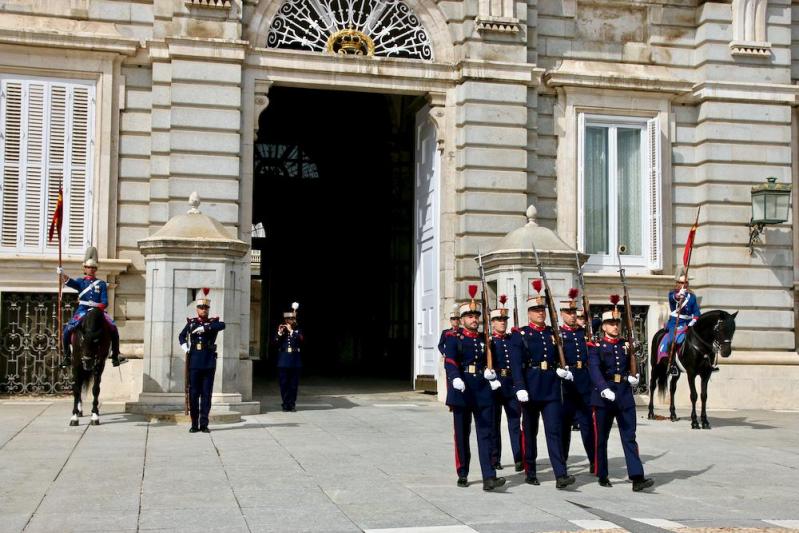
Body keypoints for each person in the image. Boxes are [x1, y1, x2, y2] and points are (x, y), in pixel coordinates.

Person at [509, 281, 575, 489]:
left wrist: (561, 369)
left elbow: (558, 357)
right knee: (530, 432)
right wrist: (519, 386)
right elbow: (517, 364)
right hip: (530, 387)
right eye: (536, 310)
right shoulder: (521, 335)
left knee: (554, 430)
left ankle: (560, 474)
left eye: (542, 310)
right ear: (529, 313)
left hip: (551, 388)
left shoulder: (551, 333)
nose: (540, 313)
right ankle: (530, 470)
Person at [442, 286, 505, 491]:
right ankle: (463, 472)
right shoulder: (454, 339)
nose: (474, 319)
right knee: (462, 434)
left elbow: (494, 361)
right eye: (469, 316)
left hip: (482, 390)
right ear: (461, 320)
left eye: (476, 315)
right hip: (462, 390)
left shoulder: (484, 339)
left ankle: (489, 476)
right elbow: (450, 361)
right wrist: (455, 378)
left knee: (485, 433)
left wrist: (492, 373)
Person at [588, 299, 653, 492]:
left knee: (629, 436)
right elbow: (594, 370)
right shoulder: (596, 347)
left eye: (617, 323)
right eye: (611, 323)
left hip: (624, 394)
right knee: (601, 438)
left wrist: (634, 377)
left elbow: (633, 364)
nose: (615, 327)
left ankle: (637, 476)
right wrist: (602, 388)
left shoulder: (626, 344)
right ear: (604, 327)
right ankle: (602, 473)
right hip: (604, 396)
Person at [59, 246, 125, 368]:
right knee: (67, 331)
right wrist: (62, 274)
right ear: (84, 268)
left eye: (94, 267)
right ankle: (67, 356)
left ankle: (116, 355)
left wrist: (96, 305)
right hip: (82, 311)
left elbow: (105, 302)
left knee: (113, 328)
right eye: (89, 267)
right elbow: (70, 282)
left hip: (98, 312)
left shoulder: (101, 284)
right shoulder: (81, 282)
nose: (91, 269)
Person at [178, 292, 225, 433]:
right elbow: (181, 336)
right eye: (201, 307)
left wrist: (205, 328)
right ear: (197, 309)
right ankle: (194, 424)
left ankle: (204, 424)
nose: (203, 310)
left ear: (208, 309)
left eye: (205, 308)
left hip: (208, 362)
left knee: (206, 394)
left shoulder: (213, 323)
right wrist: (185, 346)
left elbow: (222, 325)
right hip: (194, 362)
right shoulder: (191, 323)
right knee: (193, 394)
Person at [559, 289, 595, 473]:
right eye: (569, 313)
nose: (572, 316)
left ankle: (593, 460)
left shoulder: (583, 333)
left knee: (588, 424)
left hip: (584, 381)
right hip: (566, 384)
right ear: (561, 314)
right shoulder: (558, 335)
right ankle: (562, 461)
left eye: (574, 313)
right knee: (564, 425)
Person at [488, 299, 523, 472]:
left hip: (511, 384)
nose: (502, 323)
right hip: (495, 386)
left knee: (515, 422)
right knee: (494, 424)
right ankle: (495, 458)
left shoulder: (511, 339)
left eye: (504, 320)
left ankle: (519, 457)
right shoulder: (489, 341)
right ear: (493, 323)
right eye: (499, 320)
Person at [658, 273, 702, 376]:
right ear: (677, 283)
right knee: (672, 340)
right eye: (682, 282)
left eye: (686, 282)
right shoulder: (672, 294)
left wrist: (694, 320)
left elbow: (696, 311)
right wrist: (679, 296)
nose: (684, 285)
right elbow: (673, 299)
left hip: (689, 323)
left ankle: (705, 363)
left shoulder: (692, 297)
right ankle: (672, 364)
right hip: (675, 323)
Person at [275, 302, 303, 412]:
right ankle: (285, 403)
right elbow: (275, 342)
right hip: (283, 361)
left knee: (293, 385)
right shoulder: (282, 331)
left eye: (292, 320)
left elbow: (301, 340)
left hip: (295, 361)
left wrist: (292, 331)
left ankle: (292, 404)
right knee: (283, 384)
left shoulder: (297, 331)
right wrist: (280, 333)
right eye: (288, 320)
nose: (290, 322)